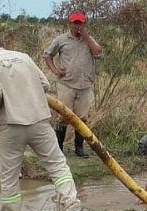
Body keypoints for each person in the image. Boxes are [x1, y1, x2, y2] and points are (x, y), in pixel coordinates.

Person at [0, 32, 91, 211]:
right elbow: (44, 84)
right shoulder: (24, 57)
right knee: (57, 165)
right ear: (3, 44)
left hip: (10, 125)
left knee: (10, 176)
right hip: (39, 120)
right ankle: (72, 207)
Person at [43, 10, 103, 159]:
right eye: (75, 23)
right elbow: (47, 55)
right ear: (69, 24)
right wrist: (55, 70)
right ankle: (59, 149)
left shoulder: (89, 39)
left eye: (80, 23)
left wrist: (86, 37)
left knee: (82, 118)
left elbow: (99, 54)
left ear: (84, 24)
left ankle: (79, 148)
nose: (77, 26)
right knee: (63, 117)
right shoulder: (61, 39)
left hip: (85, 85)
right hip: (66, 84)